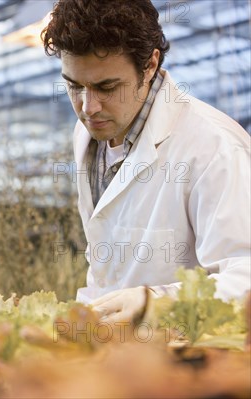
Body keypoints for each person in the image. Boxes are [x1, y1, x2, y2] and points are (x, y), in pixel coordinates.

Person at [42, 0, 250, 324]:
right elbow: (104, 264)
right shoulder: (86, 135)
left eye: (106, 87)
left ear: (150, 65)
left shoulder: (215, 148)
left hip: (191, 361)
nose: (88, 107)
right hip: (117, 358)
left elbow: (245, 277)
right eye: (74, 86)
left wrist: (154, 304)